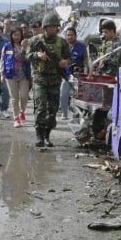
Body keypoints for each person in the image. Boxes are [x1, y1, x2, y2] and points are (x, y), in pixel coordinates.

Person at [26, 12, 71, 147]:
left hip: (55, 79)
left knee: (53, 110)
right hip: (40, 78)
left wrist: (65, 62)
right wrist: (37, 55)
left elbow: (69, 57)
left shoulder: (62, 42)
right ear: (44, 27)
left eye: (55, 27)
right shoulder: (35, 40)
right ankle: (39, 136)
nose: (52, 29)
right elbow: (26, 56)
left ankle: (47, 136)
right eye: (50, 27)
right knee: (40, 108)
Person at [2, 27, 31, 127]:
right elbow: (2, 60)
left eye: (18, 35)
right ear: (11, 36)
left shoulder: (26, 46)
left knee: (24, 96)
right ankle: (16, 118)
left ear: (21, 36)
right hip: (10, 75)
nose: (16, 37)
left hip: (24, 75)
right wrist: (2, 74)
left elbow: (27, 59)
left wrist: (24, 48)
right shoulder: (7, 46)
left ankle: (22, 111)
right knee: (14, 98)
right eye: (14, 35)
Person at [61, 26, 86, 120]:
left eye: (72, 35)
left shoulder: (82, 47)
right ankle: (64, 113)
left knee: (78, 97)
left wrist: (81, 69)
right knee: (63, 94)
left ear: (75, 35)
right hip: (65, 75)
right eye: (68, 35)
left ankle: (78, 115)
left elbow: (86, 61)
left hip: (78, 75)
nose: (70, 37)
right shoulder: (62, 46)